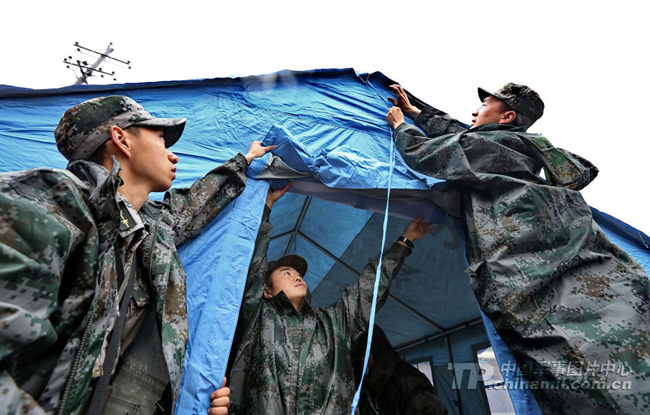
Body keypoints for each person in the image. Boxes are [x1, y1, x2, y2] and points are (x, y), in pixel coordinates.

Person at [385, 83, 650, 414]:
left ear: (507, 116)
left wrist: (400, 126)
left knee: (573, 367)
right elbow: (468, 137)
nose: (474, 112)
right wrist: (419, 113)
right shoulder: (520, 148)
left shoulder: (489, 146)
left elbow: (431, 155)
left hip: (530, 278)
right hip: (591, 274)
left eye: (484, 104)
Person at [0, 95, 273, 415]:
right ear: (121, 139)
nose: (172, 155)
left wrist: (245, 162)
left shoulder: (154, 227)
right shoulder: (43, 202)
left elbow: (197, 203)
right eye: (160, 139)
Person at [225, 183, 433, 414]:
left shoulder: (333, 323)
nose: (296, 277)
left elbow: (369, 287)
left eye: (298, 274)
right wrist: (266, 207)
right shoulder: (259, 317)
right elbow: (253, 263)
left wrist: (404, 241)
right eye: (286, 273)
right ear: (267, 291)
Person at [353, 325, 447, 415]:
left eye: (362, 356)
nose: (362, 363)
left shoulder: (409, 382)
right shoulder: (375, 385)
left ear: (374, 350)